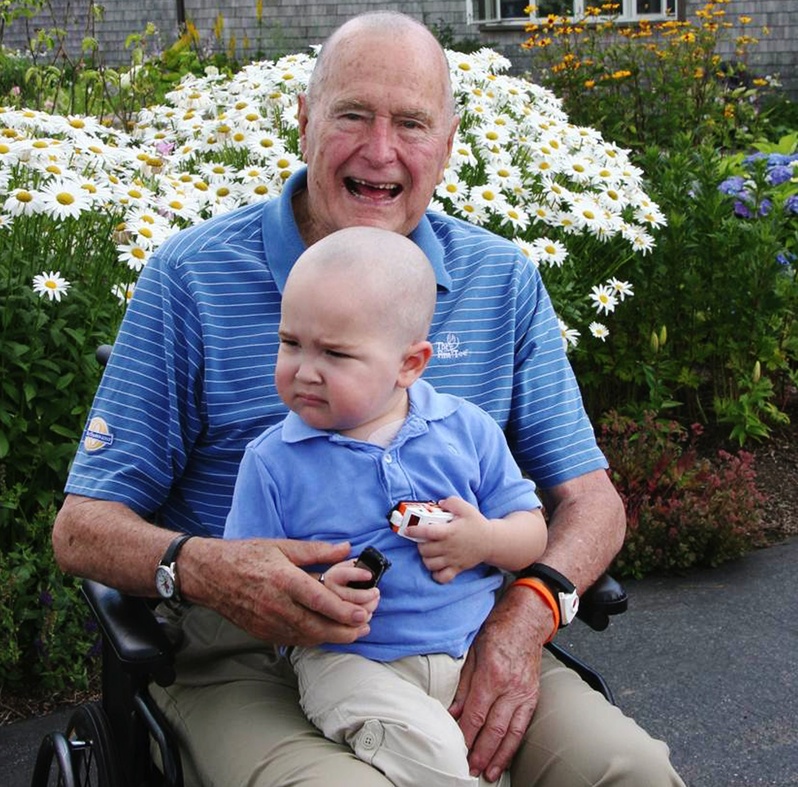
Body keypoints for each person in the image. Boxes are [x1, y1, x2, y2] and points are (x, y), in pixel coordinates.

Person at [52, 10, 686, 786]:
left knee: (632, 771)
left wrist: (530, 612)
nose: (380, 151)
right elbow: (82, 528)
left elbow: (593, 500)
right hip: (248, 653)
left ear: (448, 145)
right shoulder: (191, 279)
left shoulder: (501, 280)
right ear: (305, 123)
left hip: (459, 635)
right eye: (353, 114)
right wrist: (211, 568)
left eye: (412, 123)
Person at [224, 226, 548, 786]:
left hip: (469, 649)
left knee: (512, 753)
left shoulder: (465, 430)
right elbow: (247, 578)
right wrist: (317, 596)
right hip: (348, 663)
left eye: (335, 353)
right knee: (440, 762)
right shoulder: (274, 461)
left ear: (410, 365)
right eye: (290, 343)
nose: (304, 369)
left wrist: (484, 541)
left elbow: (532, 531)